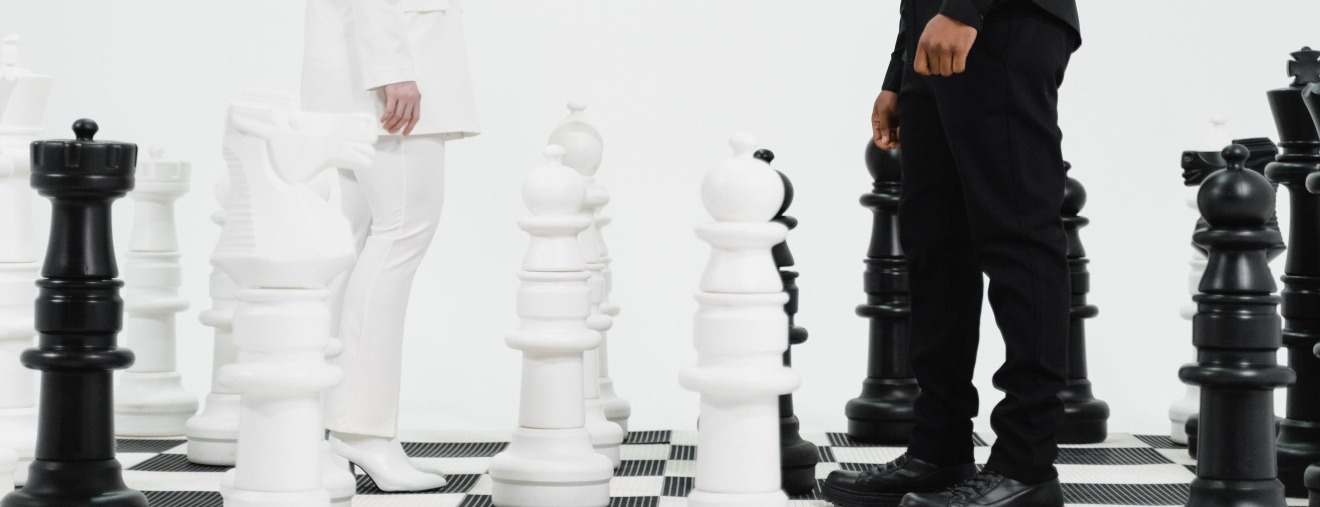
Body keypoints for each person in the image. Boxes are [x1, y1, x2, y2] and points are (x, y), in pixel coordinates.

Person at [822, 1, 1081, 506]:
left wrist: (964, 7)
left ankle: (1025, 466)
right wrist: (898, 71)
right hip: (933, 33)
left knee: (1018, 236)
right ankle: (939, 451)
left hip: (1003, 21)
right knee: (934, 244)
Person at [301, 0, 479, 492]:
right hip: (388, 76)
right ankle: (361, 430)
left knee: (358, 244)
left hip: (356, 77)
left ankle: (322, 419)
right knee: (400, 235)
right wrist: (392, 69)